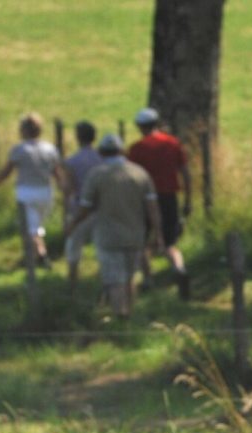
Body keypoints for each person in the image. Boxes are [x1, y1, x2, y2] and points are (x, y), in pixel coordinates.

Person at [70, 134, 160, 319]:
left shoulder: (96, 175)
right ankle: (130, 313)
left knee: (114, 279)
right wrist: (158, 234)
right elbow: (152, 208)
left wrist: (72, 224)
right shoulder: (140, 173)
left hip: (108, 235)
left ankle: (120, 315)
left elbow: (85, 208)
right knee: (130, 277)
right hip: (135, 234)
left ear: (102, 153)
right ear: (122, 151)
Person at [126, 107, 190, 284]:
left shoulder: (137, 149)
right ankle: (179, 268)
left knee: (142, 240)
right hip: (169, 196)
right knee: (170, 242)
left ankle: (148, 278)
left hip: (145, 199)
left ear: (140, 126)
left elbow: (131, 177)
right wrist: (188, 198)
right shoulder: (173, 143)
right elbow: (184, 172)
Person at [0, 113, 63, 265]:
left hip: (26, 193)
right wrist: (64, 188)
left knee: (30, 229)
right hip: (46, 192)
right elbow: (57, 173)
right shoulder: (50, 149)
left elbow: (6, 171)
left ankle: (41, 256)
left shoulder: (20, 150)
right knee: (37, 227)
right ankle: (35, 257)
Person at [61, 121, 107, 279]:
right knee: (102, 248)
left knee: (73, 248)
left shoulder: (72, 161)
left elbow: (68, 189)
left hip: (79, 208)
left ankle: (72, 283)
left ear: (78, 137)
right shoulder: (102, 159)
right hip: (101, 208)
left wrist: (66, 213)